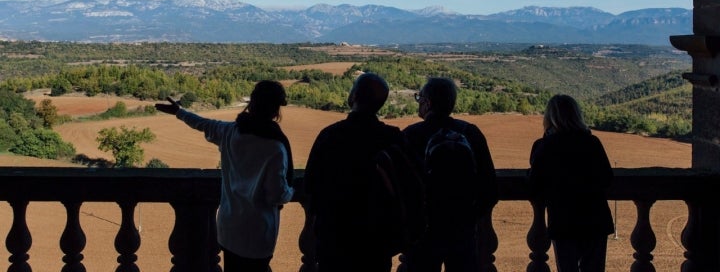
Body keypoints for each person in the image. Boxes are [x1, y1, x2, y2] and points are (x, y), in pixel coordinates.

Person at [155, 80, 294, 272]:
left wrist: (179, 112)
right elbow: (276, 195)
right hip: (258, 234)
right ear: (275, 110)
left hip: (229, 228)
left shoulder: (230, 132)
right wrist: (291, 192)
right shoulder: (276, 147)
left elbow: (202, 124)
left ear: (251, 103)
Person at [304, 72, 406, 272]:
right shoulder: (393, 138)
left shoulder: (329, 136)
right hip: (377, 242)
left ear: (353, 97)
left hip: (334, 240)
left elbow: (310, 185)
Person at [402, 77, 498, 272]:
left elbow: (400, 185)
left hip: (423, 232)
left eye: (419, 98)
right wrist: (471, 215)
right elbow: (489, 186)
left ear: (427, 103)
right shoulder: (470, 133)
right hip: (462, 230)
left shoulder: (410, 135)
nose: (418, 102)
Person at [529, 94, 614, 272]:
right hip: (595, 219)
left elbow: (535, 185)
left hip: (563, 221)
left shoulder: (544, 146)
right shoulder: (592, 143)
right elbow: (607, 179)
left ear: (550, 117)